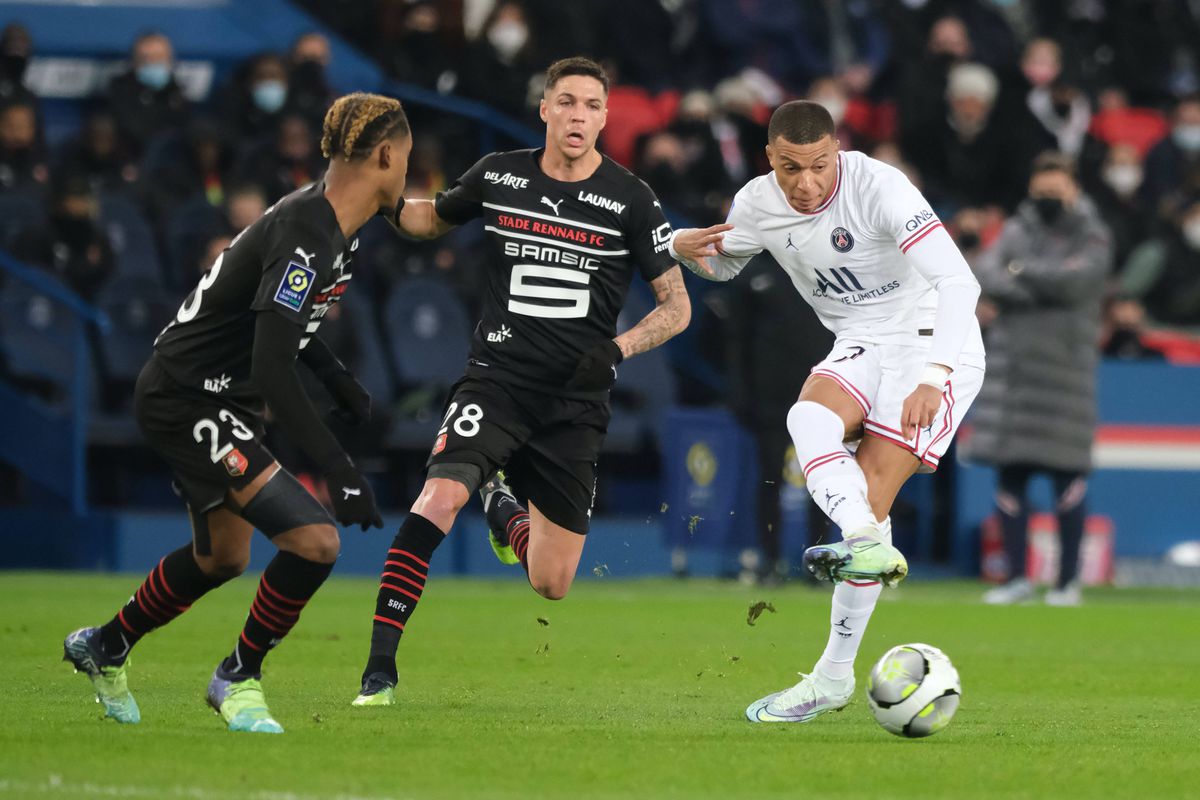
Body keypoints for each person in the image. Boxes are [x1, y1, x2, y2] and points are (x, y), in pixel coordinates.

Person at [351, 57, 696, 706]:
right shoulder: (499, 174)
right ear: (544, 109)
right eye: (566, 102)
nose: (578, 116)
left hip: (575, 403)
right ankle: (379, 671)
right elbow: (430, 219)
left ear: (603, 116)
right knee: (437, 501)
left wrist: (617, 349)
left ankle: (500, 500)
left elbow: (677, 307)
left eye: (592, 105)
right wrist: (377, 196)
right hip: (496, 382)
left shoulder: (631, 199)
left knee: (551, 583)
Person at [62, 92, 409, 733]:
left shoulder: (330, 219)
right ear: (387, 155)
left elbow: (279, 322)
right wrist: (339, 466)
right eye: (406, 160)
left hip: (214, 396)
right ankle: (238, 676)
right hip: (188, 396)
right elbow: (273, 364)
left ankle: (104, 646)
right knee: (316, 541)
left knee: (223, 557)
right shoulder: (309, 231)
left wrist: (336, 377)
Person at [670, 100, 986, 723]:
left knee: (870, 489)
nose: (807, 183)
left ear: (836, 151)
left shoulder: (880, 188)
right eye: (791, 168)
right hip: (860, 340)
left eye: (819, 165)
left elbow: (960, 284)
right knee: (806, 419)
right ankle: (865, 543)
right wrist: (679, 247)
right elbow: (725, 261)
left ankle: (832, 675)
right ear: (770, 160)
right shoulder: (757, 202)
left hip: (928, 337)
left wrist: (934, 377)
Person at [967, 152, 1111, 607]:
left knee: (1067, 479)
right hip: (1015, 374)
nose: (1048, 198)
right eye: (1041, 190)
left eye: (1056, 190)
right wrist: (1027, 280)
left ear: (1074, 189)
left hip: (1066, 374)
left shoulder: (1093, 234)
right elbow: (984, 273)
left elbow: (1077, 283)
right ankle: (1016, 578)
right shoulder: (1014, 229)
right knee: (1011, 479)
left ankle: (1067, 583)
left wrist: (1019, 273)